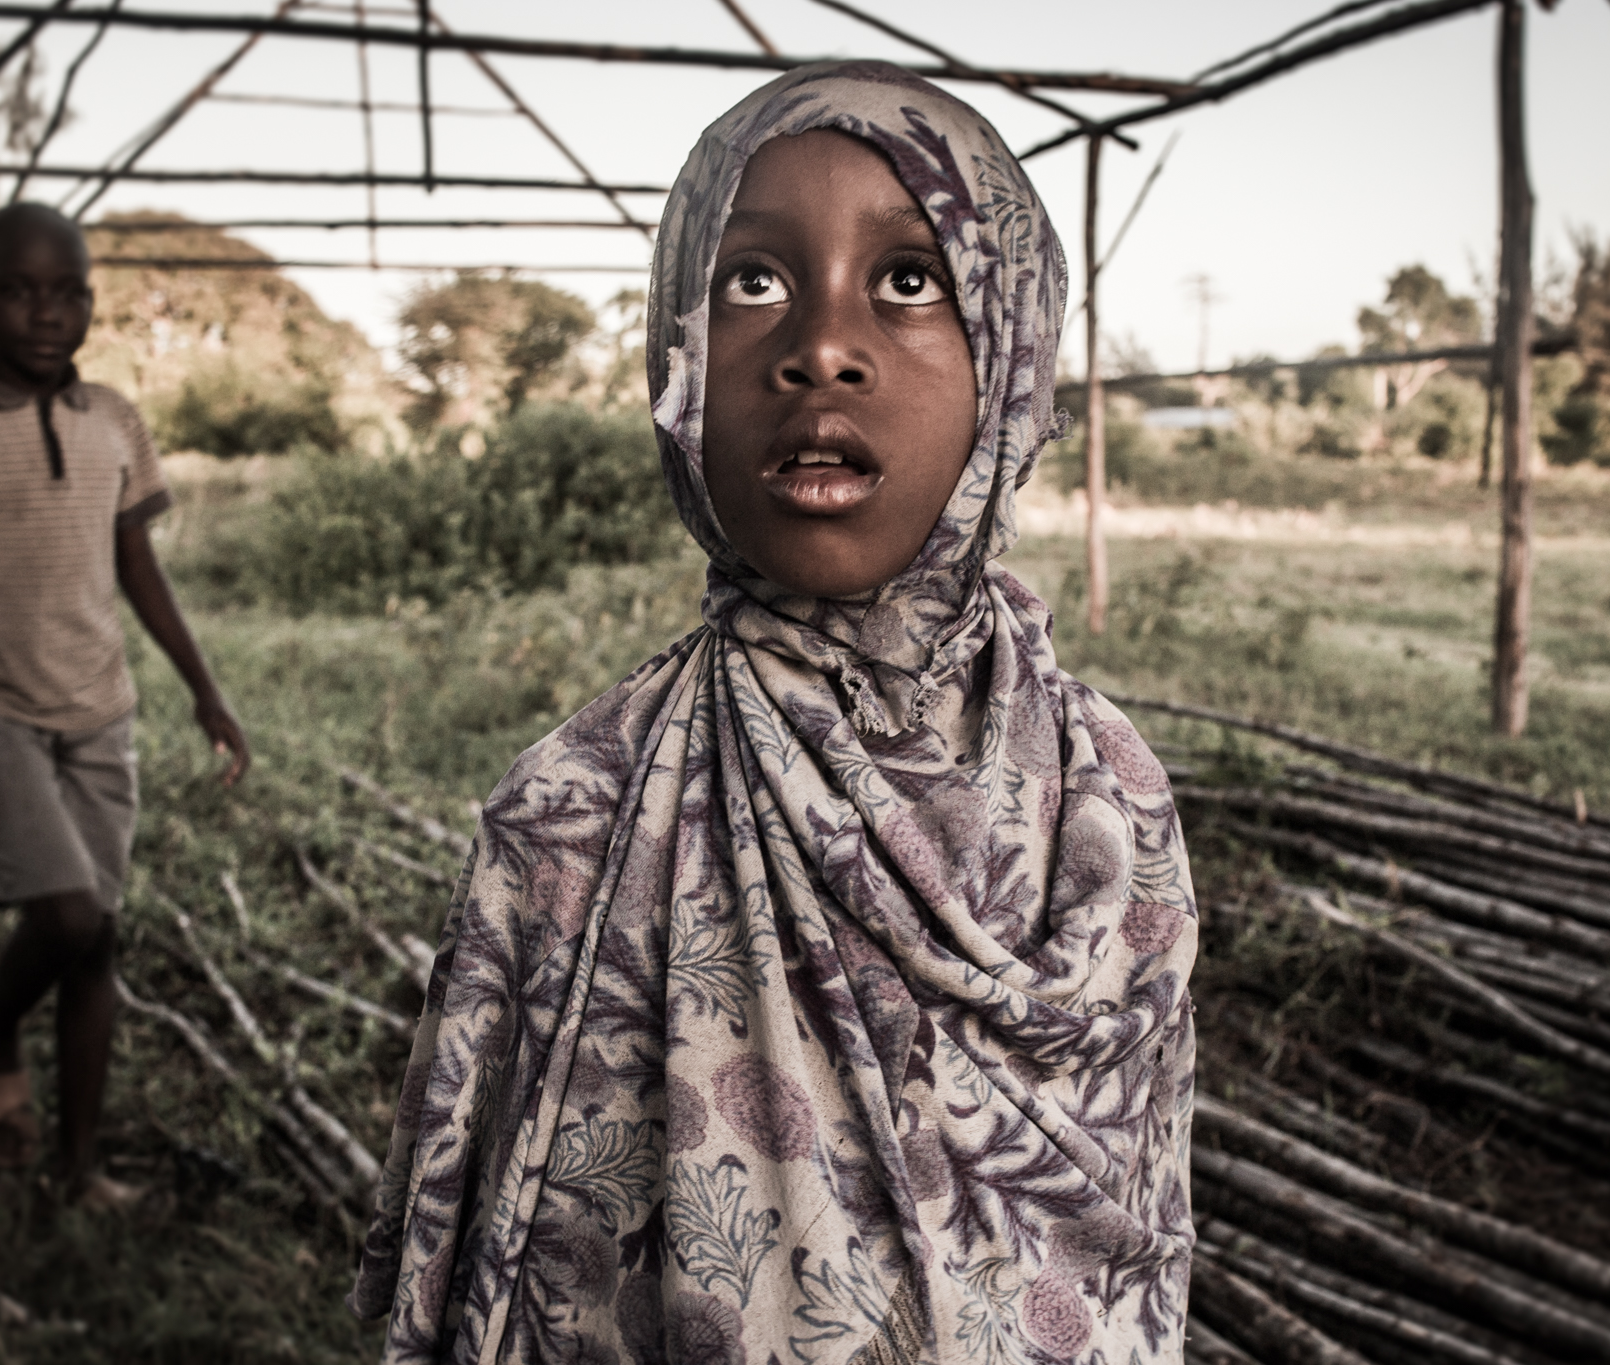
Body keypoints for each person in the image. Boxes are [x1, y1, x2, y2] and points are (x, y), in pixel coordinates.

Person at [350, 62, 1200, 1364]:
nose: (819, 346)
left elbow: (1135, 1231)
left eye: (911, 281)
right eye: (751, 281)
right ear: (680, 361)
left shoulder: (1107, 793)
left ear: (1013, 359)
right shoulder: (568, 821)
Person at [0, 202, 249, 1206]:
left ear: (90, 305)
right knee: (66, 916)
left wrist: (205, 690)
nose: (43, 311)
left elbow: (138, 568)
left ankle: (77, 1169)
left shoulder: (111, 417)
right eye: (17, 290)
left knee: (96, 935)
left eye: (65, 291)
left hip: (98, 713)